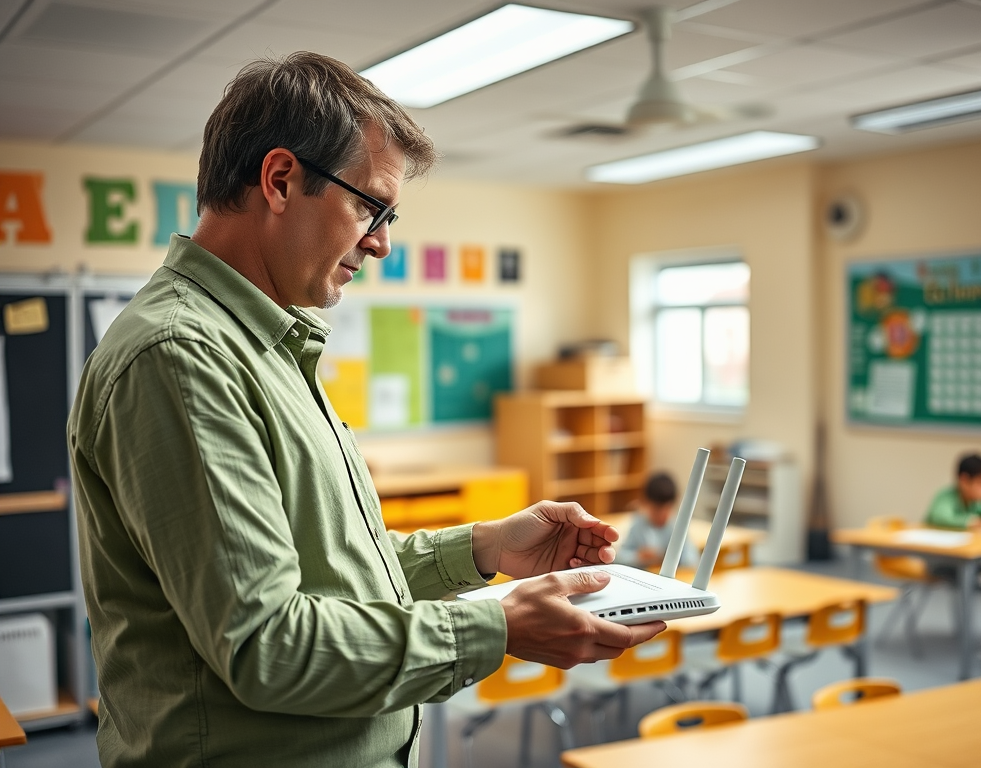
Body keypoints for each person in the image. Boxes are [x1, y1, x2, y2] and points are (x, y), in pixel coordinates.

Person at [67, 52, 664, 768]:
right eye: (370, 207)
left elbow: (330, 579)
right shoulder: (181, 359)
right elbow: (269, 646)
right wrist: (494, 628)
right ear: (280, 180)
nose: (381, 242)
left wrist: (484, 550)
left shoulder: (267, 346)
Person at [925, 452, 981, 664]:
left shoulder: (978, 503)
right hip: (943, 564)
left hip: (973, 562)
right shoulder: (946, 497)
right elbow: (943, 518)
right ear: (964, 480)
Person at [616, 471, 696, 570]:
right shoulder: (638, 524)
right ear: (645, 503)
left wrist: (669, 557)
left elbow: (692, 560)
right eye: (657, 510)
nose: (662, 515)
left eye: (667, 509)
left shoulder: (676, 527)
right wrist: (638, 556)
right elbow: (619, 557)